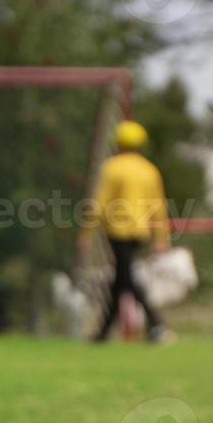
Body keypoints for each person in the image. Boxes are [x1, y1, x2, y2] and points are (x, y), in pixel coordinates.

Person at [79, 119, 173, 343]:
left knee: (126, 279)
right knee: (121, 280)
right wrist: (161, 237)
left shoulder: (112, 168)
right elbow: (158, 205)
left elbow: (100, 202)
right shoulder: (149, 170)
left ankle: (157, 324)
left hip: (118, 231)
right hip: (140, 232)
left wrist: (86, 232)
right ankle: (102, 334)